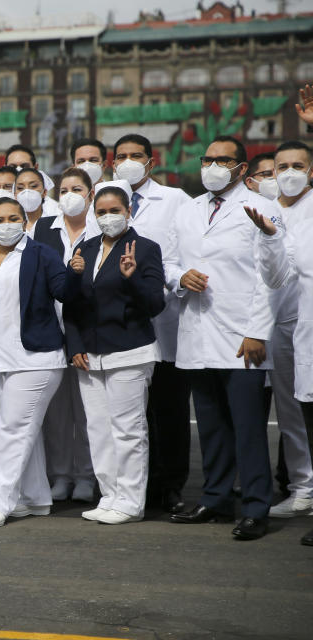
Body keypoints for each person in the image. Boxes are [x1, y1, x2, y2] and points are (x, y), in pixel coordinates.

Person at [165, 136, 275, 541]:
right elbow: (168, 260)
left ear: (242, 168)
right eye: (207, 159)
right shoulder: (189, 210)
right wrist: (178, 277)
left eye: (222, 160)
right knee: (210, 425)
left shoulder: (262, 209)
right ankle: (215, 498)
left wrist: (256, 331)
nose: (212, 167)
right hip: (197, 331)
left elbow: (272, 277)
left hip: (243, 335)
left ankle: (257, 506)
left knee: (247, 426)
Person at [0, 197, 71, 528]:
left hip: (36, 358)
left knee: (14, 429)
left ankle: (1, 499)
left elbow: (66, 292)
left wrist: (77, 273)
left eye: (13, 218)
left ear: (25, 222)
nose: (5, 224)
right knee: (22, 430)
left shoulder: (41, 255)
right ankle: (34, 498)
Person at [64, 185, 166, 524]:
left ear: (128, 211)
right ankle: (109, 496)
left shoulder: (145, 249)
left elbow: (155, 303)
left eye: (114, 210)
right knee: (99, 429)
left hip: (129, 351)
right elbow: (73, 303)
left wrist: (132, 276)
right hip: (89, 355)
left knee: (128, 429)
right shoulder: (86, 247)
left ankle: (131, 501)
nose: (108, 217)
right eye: (101, 212)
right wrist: (75, 345)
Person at [111, 133, 193, 514]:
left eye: (136, 156)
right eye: (122, 156)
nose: (128, 162)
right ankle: (135, 488)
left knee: (169, 408)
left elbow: (188, 251)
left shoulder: (175, 200)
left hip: (167, 322)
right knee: (130, 415)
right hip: (121, 326)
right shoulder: (106, 201)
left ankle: (172, 485)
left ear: (151, 161)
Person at [247, 138, 313, 546]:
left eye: (296, 166)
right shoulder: (267, 212)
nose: (287, 174)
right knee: (293, 414)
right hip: (286, 325)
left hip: (306, 321)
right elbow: (274, 278)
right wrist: (270, 237)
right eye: (279, 167)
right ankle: (303, 488)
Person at [32, 167, 100, 503]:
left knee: (86, 411)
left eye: (77, 188)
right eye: (63, 190)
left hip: (88, 331)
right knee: (56, 414)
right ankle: (60, 474)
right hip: (51, 331)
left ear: (91, 192)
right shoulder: (45, 227)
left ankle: (86, 476)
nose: (69, 195)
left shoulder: (102, 228)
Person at [5, 144, 60, 218]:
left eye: (24, 166)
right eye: (13, 167)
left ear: (36, 167)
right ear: (5, 169)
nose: (18, 170)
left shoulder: (54, 210)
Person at [14, 168, 50, 233]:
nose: (27, 192)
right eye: (20, 188)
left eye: (33, 186)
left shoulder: (55, 223)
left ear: (44, 192)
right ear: (15, 195)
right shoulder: (10, 225)